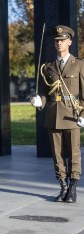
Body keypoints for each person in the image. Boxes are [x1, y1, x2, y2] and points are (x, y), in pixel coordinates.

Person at [31, 25, 84, 203]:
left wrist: (83, 113)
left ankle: (73, 187)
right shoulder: (48, 67)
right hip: (54, 114)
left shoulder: (79, 65)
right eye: (56, 41)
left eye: (62, 40)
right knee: (57, 154)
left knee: (74, 153)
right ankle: (62, 186)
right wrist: (40, 101)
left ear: (69, 42)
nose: (59, 43)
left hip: (72, 114)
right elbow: (47, 91)